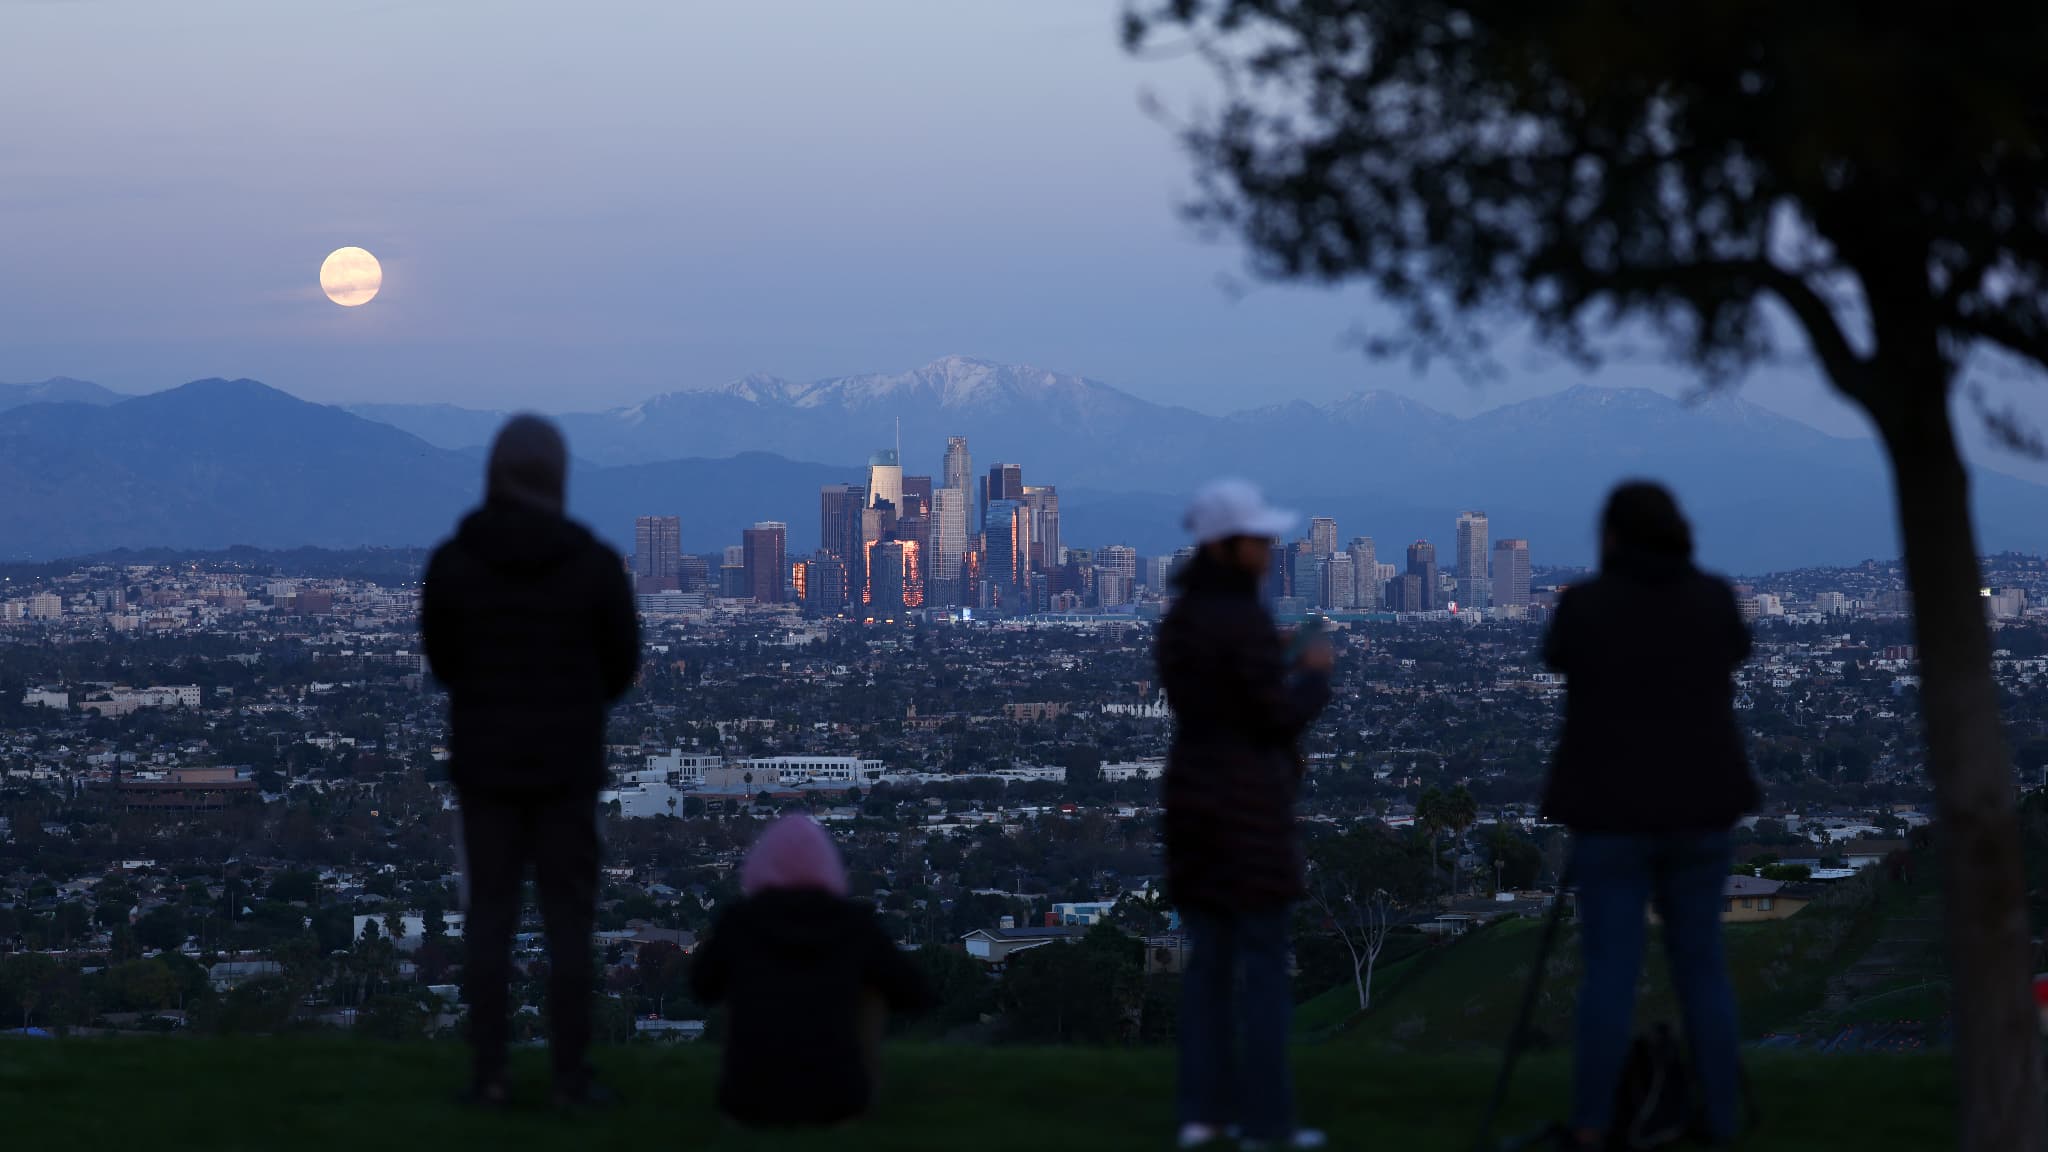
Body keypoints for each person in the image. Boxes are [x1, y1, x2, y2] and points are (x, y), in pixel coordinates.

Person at [420, 414, 639, 1108]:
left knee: (490, 918)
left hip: (486, 767)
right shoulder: (593, 564)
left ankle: (489, 1078)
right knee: (567, 921)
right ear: (558, 477)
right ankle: (571, 1079)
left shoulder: (456, 561)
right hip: (568, 768)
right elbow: (622, 666)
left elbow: (444, 661)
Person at [1541, 481, 1760, 1149]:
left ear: (1611, 536)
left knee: (1609, 970)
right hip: (1702, 808)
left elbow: (1555, 655)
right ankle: (1720, 1121)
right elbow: (1737, 649)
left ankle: (1590, 1124)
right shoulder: (1712, 599)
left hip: (1610, 813)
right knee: (1701, 970)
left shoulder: (1587, 607)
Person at [1157, 479, 1333, 1152]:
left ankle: (1202, 1117)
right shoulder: (1244, 620)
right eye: (1259, 537)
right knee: (1261, 971)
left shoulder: (1182, 621)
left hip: (1192, 805)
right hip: (1249, 811)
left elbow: (1218, 702)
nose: (1270, 546)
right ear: (1229, 547)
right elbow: (1275, 714)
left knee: (1207, 970)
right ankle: (1268, 1124)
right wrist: (1313, 672)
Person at [691, 813, 929, 1127]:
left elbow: (701, 987)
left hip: (749, 1104)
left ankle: (752, 1075)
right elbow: (914, 993)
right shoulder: (854, 925)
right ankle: (851, 1086)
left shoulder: (739, 923)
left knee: (737, 974)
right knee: (871, 988)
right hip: (840, 1101)